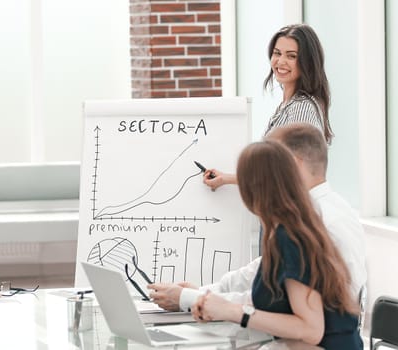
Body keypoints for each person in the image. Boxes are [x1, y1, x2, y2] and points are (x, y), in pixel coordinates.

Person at [149, 123, 366, 314]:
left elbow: (276, 303)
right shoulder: (311, 212)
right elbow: (261, 273)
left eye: (268, 165)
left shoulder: (323, 221)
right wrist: (201, 294)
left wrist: (193, 299)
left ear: (292, 164)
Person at [192, 139, 362, 349]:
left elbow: (310, 330)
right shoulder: (289, 228)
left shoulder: (290, 237)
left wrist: (232, 311)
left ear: (250, 190)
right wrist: (212, 301)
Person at [203, 23, 333, 190]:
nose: (281, 61)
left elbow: (292, 172)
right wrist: (226, 178)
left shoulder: (302, 108)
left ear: (306, 63)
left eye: (291, 56)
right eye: (277, 53)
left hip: (289, 212)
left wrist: (229, 178)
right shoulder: (286, 106)